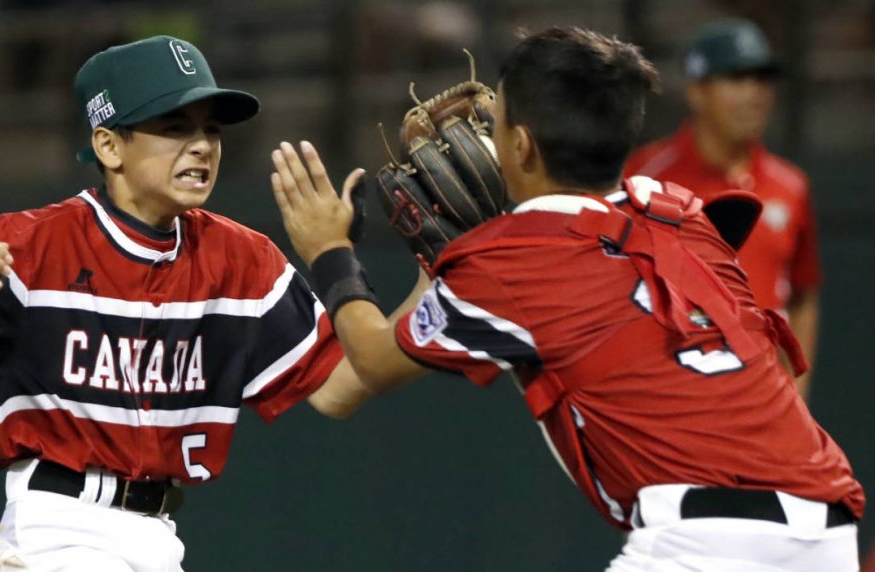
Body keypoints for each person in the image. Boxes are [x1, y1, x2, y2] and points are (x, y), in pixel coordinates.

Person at [269, 27, 863, 570]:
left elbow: (367, 362)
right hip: (828, 529)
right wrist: (459, 265)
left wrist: (329, 251)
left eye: (497, 121)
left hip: (701, 541)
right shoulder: (680, 211)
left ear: (521, 146)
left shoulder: (511, 261)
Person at [0, 35, 377, 571]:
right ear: (109, 146)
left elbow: (340, 389)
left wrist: (437, 281)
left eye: (211, 128)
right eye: (174, 127)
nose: (202, 145)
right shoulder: (30, 246)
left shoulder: (244, 260)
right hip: (55, 528)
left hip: (157, 538)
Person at [625, 19, 822, 399]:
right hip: (677, 394)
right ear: (697, 91)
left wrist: (798, 393)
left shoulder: (791, 186)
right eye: (736, 78)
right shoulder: (645, 177)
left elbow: (803, 293)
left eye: (761, 79)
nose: (755, 94)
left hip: (765, 398)